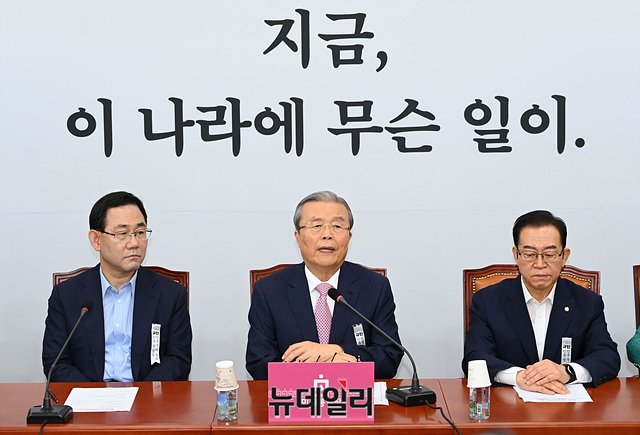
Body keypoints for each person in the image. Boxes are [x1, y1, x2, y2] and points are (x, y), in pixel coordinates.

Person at [246, 191, 403, 380]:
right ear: (298, 236)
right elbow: (258, 363)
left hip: (354, 395)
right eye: (316, 225)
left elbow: (390, 357)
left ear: (349, 237)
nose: (327, 235)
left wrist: (337, 351)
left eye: (337, 226)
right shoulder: (269, 290)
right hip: (295, 396)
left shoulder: (375, 287)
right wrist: (315, 367)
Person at [463, 210, 619, 394]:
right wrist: (520, 377)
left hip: (567, 404)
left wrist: (567, 372)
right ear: (516, 255)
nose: (539, 264)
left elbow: (607, 356)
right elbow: (475, 357)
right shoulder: (488, 301)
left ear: (564, 256)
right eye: (530, 254)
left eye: (549, 254)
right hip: (507, 405)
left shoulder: (587, 302)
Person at [42, 191, 192, 382]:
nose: (134, 243)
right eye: (122, 234)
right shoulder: (66, 295)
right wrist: (94, 395)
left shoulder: (170, 294)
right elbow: (56, 362)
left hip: (146, 396)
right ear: (96, 240)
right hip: (88, 396)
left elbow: (178, 360)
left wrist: (143, 394)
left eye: (140, 233)